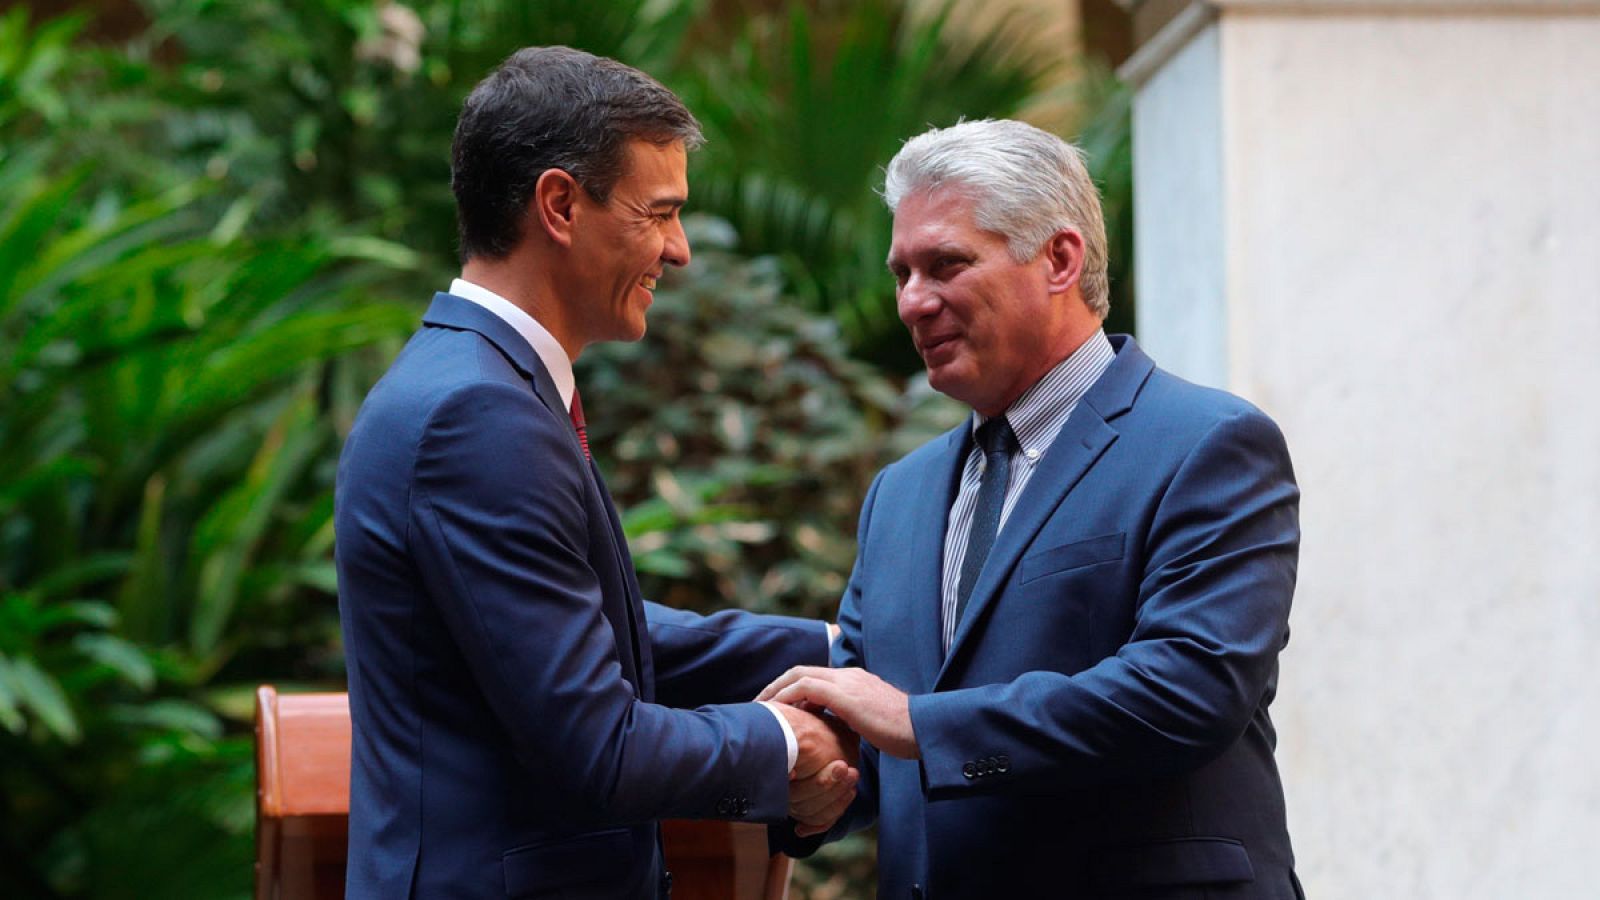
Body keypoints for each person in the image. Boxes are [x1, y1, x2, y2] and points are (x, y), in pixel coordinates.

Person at [334, 47, 855, 900]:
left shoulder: (474, 383)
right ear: (560, 204)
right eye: (658, 213)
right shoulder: (479, 414)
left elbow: (587, 634)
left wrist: (837, 652)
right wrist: (790, 742)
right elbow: (598, 744)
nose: (679, 250)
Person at [762, 119, 1304, 899]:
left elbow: (1189, 689)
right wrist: (814, 788)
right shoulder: (900, 495)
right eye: (902, 272)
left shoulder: (1209, 444)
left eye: (945, 263)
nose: (912, 301)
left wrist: (921, 725)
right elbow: (871, 734)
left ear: (1059, 258)